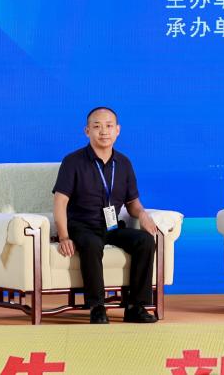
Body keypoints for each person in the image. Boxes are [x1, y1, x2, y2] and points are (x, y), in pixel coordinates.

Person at [53, 107, 160, 324]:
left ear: (117, 130)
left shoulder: (124, 163)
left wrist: (143, 215)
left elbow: (132, 204)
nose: (104, 131)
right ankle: (97, 307)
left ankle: (136, 307)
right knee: (92, 244)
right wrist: (64, 236)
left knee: (145, 241)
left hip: (111, 227)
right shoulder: (72, 161)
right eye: (97, 126)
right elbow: (60, 202)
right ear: (87, 131)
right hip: (82, 226)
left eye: (109, 126)